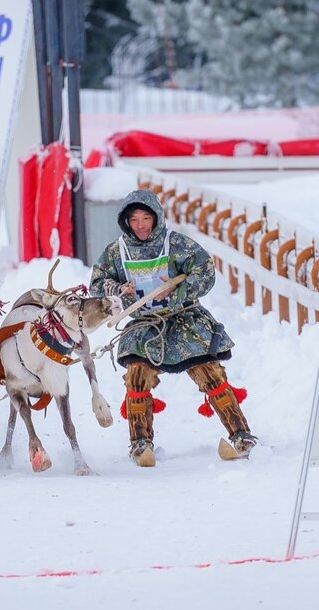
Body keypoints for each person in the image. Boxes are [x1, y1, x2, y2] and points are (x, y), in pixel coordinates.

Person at [90, 189, 257, 467]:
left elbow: (205, 270)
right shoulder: (116, 252)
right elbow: (97, 285)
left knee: (209, 373)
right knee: (137, 376)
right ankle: (140, 443)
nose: (141, 225)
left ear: (156, 217)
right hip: (145, 325)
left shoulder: (176, 244)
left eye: (146, 218)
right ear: (126, 222)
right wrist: (117, 289)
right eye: (135, 220)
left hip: (184, 320)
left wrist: (179, 288)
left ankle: (241, 435)